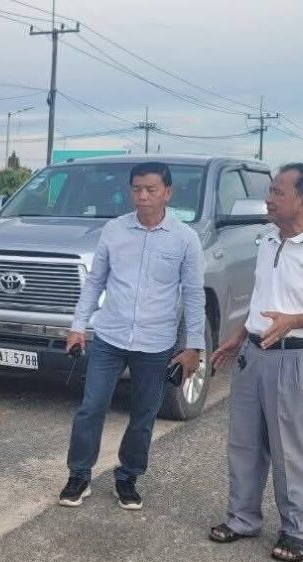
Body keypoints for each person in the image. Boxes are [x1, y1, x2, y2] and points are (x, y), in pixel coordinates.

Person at [208, 163, 303, 562]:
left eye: (277, 191)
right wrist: (239, 336)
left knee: (291, 449)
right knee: (244, 443)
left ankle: (297, 530)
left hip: (297, 358)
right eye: (270, 191)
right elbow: (264, 298)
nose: (269, 199)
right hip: (253, 355)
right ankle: (242, 518)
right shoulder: (269, 240)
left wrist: (295, 321)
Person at [59, 162, 206, 511]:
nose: (143, 196)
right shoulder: (114, 230)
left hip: (155, 344)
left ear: (167, 193)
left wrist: (194, 346)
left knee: (143, 415)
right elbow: (95, 282)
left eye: (151, 189)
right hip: (109, 337)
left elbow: (193, 294)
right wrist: (78, 326)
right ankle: (79, 475)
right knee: (91, 408)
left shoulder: (185, 238)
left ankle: (128, 477)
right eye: (137, 189)